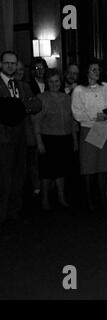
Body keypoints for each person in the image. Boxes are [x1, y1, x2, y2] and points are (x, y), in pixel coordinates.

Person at [71, 59, 107, 213]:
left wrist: (104, 115)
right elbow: (77, 113)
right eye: (93, 70)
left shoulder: (105, 87)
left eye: (98, 69)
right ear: (87, 72)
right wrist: (94, 116)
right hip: (88, 129)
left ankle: (103, 199)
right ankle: (89, 200)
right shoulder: (79, 90)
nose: (97, 72)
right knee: (89, 166)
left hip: (103, 128)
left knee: (103, 166)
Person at [0, 51, 41, 225]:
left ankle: (13, 213)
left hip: (21, 137)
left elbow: (37, 104)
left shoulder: (22, 85)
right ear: (1, 64)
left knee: (19, 176)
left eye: (13, 63)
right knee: (3, 178)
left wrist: (17, 107)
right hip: (3, 138)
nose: (10, 66)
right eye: (7, 63)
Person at [34, 69, 78, 210]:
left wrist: (75, 141)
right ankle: (45, 199)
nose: (54, 84)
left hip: (64, 139)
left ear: (61, 81)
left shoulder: (67, 98)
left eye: (57, 81)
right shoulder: (41, 98)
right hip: (48, 139)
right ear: (47, 82)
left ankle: (61, 198)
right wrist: (39, 142)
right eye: (51, 81)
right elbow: (37, 123)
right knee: (47, 172)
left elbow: (72, 121)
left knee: (61, 171)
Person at [15, 61, 42, 201]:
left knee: (31, 165)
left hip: (28, 134)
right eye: (16, 69)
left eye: (21, 69)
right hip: (11, 136)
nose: (19, 72)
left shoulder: (25, 86)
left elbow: (36, 104)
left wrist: (20, 108)